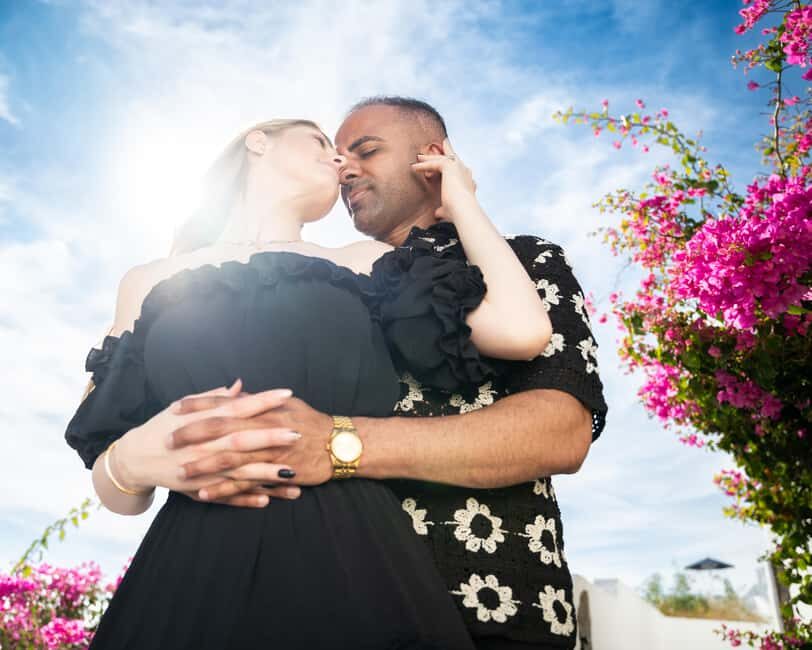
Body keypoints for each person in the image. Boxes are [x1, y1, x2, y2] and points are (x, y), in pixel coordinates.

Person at [64, 117, 554, 648]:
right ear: (258, 141)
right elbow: (116, 488)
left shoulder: (364, 262)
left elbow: (523, 330)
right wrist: (132, 460)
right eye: (323, 142)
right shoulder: (146, 281)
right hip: (188, 567)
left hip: (354, 558)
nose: (341, 162)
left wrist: (460, 202)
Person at [164, 98, 609, 650]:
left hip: (495, 612)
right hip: (320, 601)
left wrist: (338, 444)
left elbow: (559, 431)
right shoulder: (319, 282)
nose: (344, 166)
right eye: (334, 153)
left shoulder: (525, 262)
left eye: (366, 150)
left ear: (434, 156)